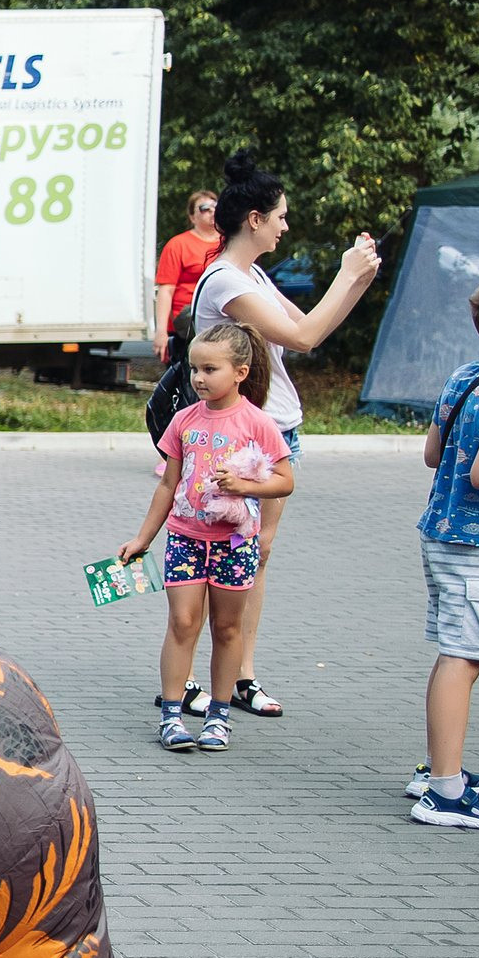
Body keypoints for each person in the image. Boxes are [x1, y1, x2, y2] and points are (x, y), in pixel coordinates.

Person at [183, 150, 381, 718]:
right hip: (238, 437)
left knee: (255, 555)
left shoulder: (255, 274)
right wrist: (346, 274)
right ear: (255, 220)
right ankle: (194, 677)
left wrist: (358, 279)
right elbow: (303, 340)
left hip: (274, 430)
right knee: (213, 550)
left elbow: (305, 327)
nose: (285, 225)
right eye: (281, 216)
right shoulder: (226, 282)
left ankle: (241, 674)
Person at [120, 322, 295, 754]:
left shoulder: (258, 423)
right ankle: (172, 717)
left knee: (227, 627)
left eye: (210, 369)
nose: (199, 378)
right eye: (194, 368)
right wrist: (143, 537)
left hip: (235, 544)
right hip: (185, 537)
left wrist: (245, 487)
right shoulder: (183, 420)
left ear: (239, 372)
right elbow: (167, 485)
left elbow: (285, 481)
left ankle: (218, 717)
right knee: (182, 623)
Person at [410, 276, 479, 829]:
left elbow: (432, 453)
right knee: (462, 660)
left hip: (442, 534)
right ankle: (444, 793)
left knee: (455, 654)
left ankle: (439, 770)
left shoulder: (466, 376)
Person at [154, 191, 223, 333]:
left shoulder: (230, 242)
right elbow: (166, 290)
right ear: (192, 217)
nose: (212, 211)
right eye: (204, 208)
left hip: (221, 315)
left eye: (215, 206)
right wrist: (161, 332)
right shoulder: (178, 244)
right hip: (187, 320)